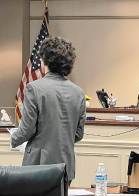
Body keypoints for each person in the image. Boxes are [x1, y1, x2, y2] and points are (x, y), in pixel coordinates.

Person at [11, 36, 86, 182]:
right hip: (66, 167)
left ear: (45, 60)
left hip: (38, 166)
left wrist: (13, 138)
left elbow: (27, 130)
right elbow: (78, 134)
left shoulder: (34, 88)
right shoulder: (78, 93)